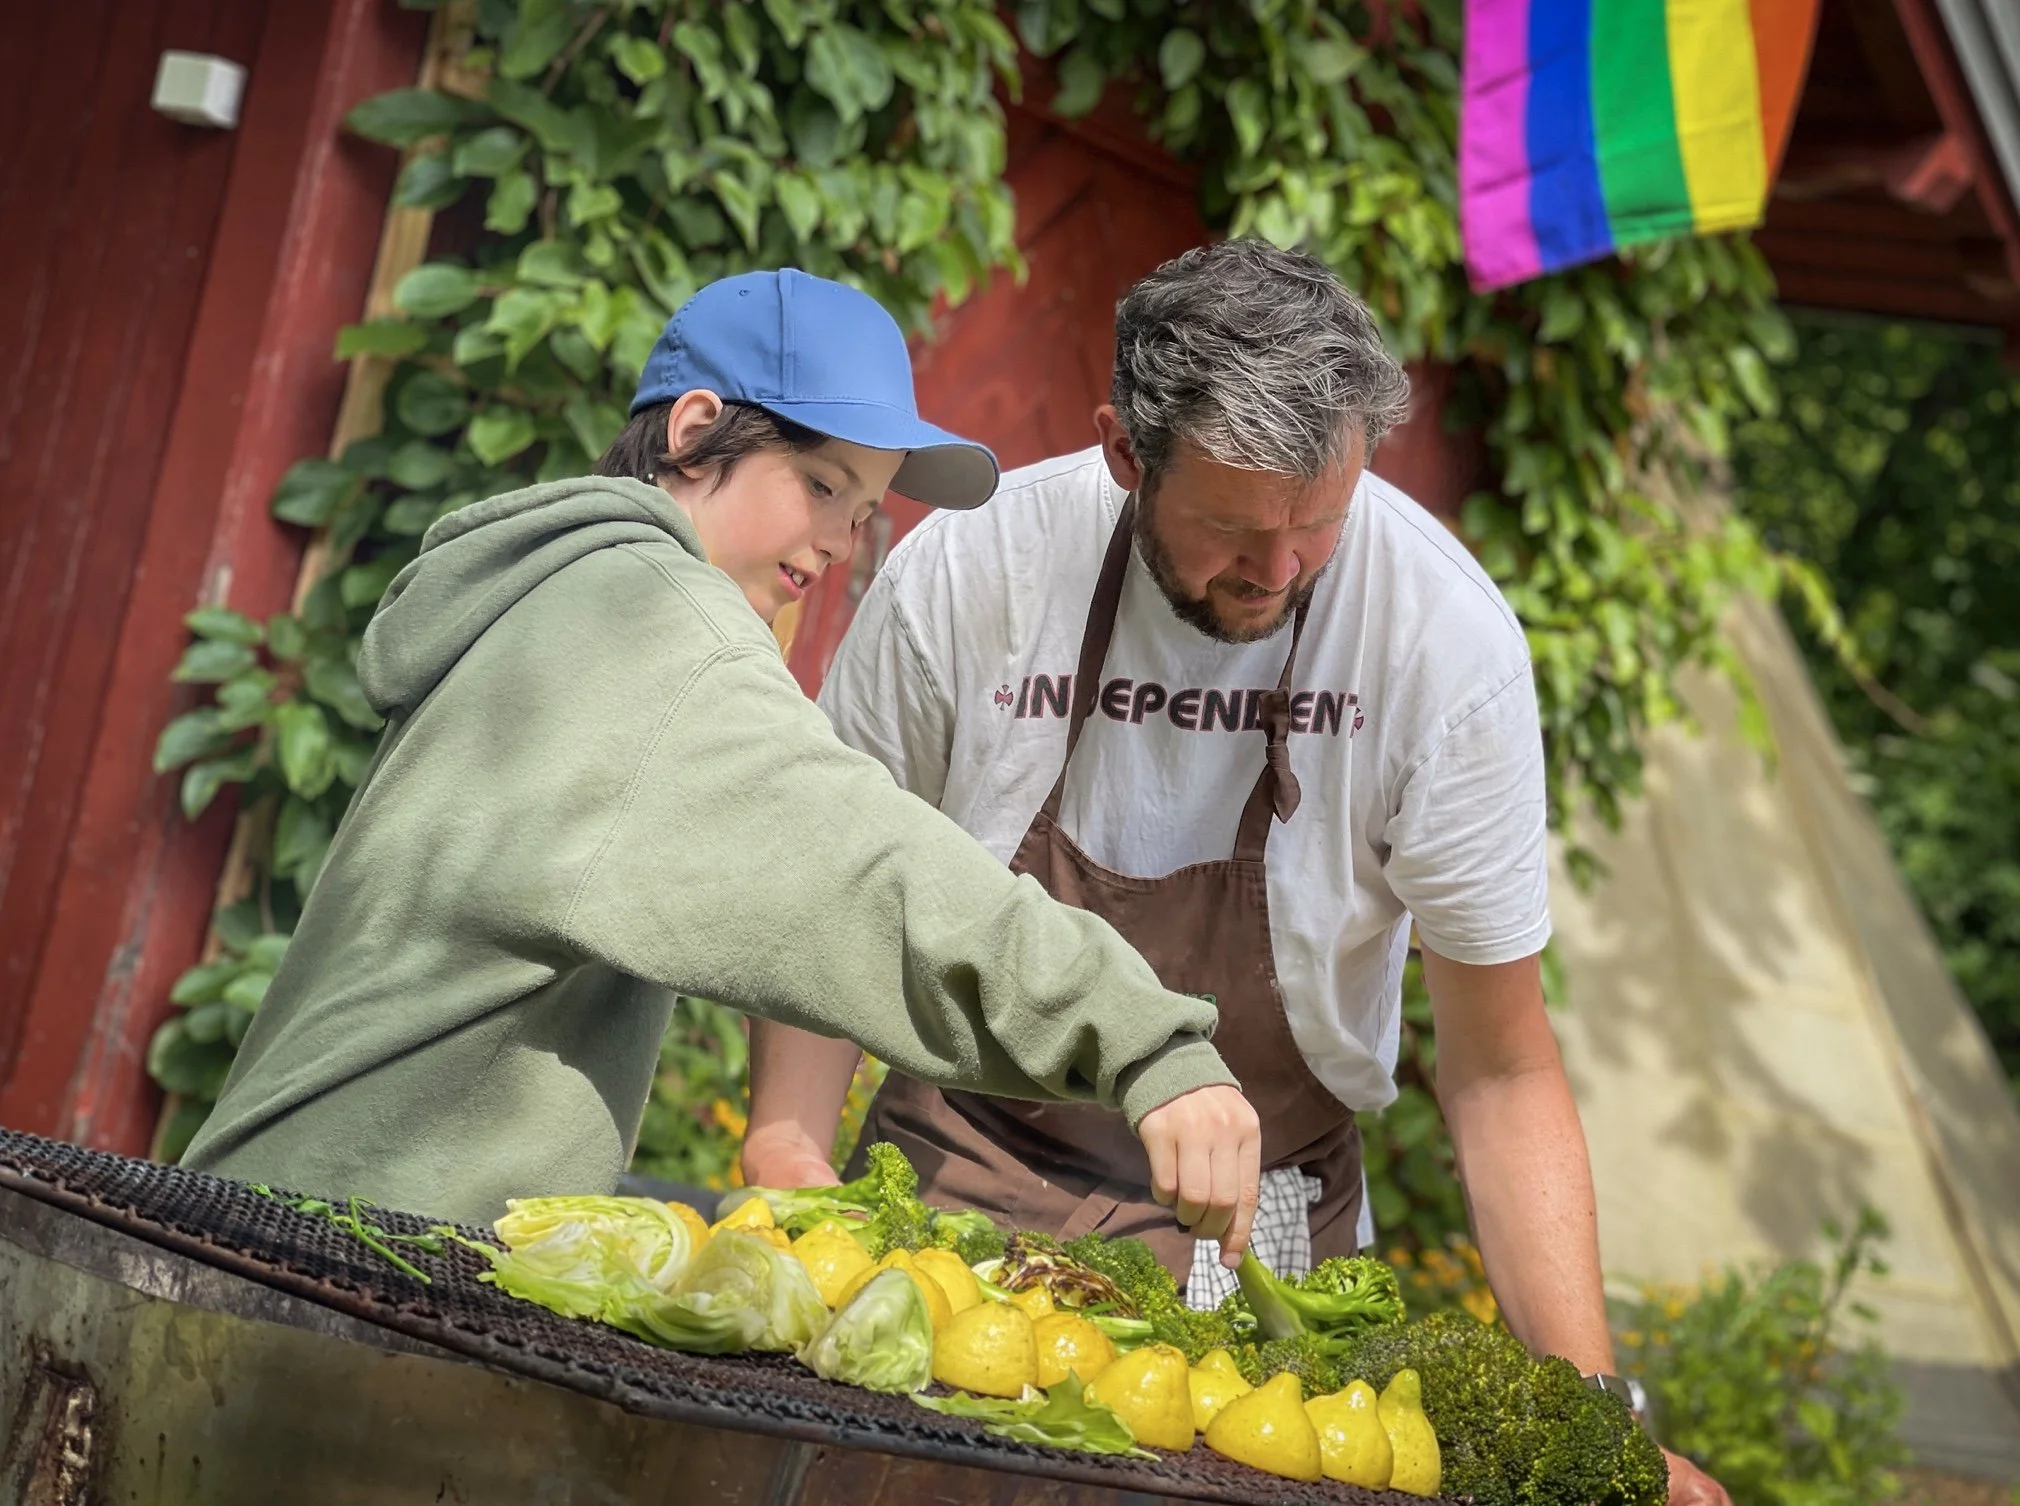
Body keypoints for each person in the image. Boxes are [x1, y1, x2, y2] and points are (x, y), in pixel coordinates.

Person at [739, 242, 1729, 1506]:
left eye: (1318, 526)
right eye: (1231, 531)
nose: (1277, 572)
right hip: (965, 1164)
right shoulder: (975, 571)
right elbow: (840, 884)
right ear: (1122, 454)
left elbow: (1498, 1064)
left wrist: (1595, 1423)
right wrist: (783, 1145)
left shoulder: (1444, 647)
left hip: (1254, 1229)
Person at [183, 267, 1261, 1254]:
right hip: (331, 1270)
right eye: (818, 483)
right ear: (695, 432)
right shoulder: (645, 625)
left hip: (283, 1215)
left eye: (862, 509)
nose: (840, 541)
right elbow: (862, 863)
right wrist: (1141, 1043)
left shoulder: (557, 600)